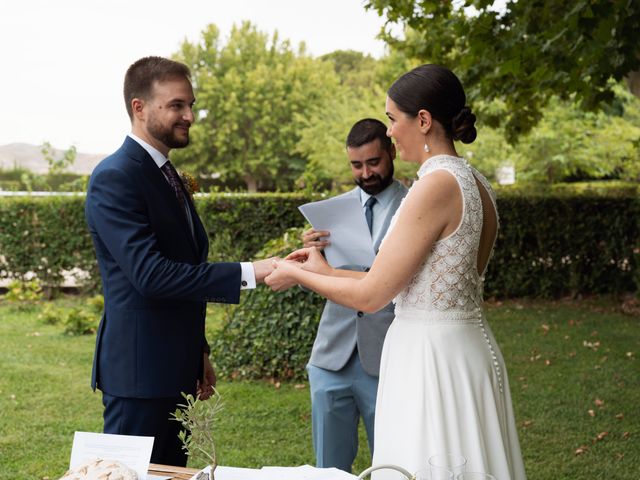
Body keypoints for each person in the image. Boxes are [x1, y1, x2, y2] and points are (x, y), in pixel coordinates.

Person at [266, 64, 527, 479]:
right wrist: (324, 270)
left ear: (422, 120)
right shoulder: (476, 182)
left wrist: (296, 274)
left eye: (392, 119)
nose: (389, 131)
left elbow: (372, 296)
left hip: (431, 360)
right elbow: (398, 283)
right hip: (465, 348)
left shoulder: (434, 185)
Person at [85, 56, 273, 467]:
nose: (189, 115)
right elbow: (150, 276)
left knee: (172, 475)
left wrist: (197, 351)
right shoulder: (115, 176)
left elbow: (183, 264)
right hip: (139, 376)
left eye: (190, 105)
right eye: (176, 105)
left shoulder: (166, 174)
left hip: (174, 369)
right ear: (139, 107)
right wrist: (249, 272)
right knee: (131, 476)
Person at [301, 119, 408, 472]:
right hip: (331, 356)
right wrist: (310, 256)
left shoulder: (415, 205)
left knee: (391, 468)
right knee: (328, 470)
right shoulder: (330, 211)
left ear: (392, 152)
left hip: (389, 357)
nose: (366, 173)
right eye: (356, 165)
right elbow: (318, 280)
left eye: (373, 162)